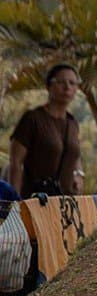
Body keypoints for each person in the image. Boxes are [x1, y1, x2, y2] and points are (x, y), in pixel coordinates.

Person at [8, 64, 85, 198]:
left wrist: (79, 175)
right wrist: (14, 201)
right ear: (48, 86)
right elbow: (16, 162)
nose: (67, 87)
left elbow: (75, 155)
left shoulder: (73, 123)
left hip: (66, 203)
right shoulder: (33, 119)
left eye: (72, 83)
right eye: (61, 82)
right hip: (36, 200)